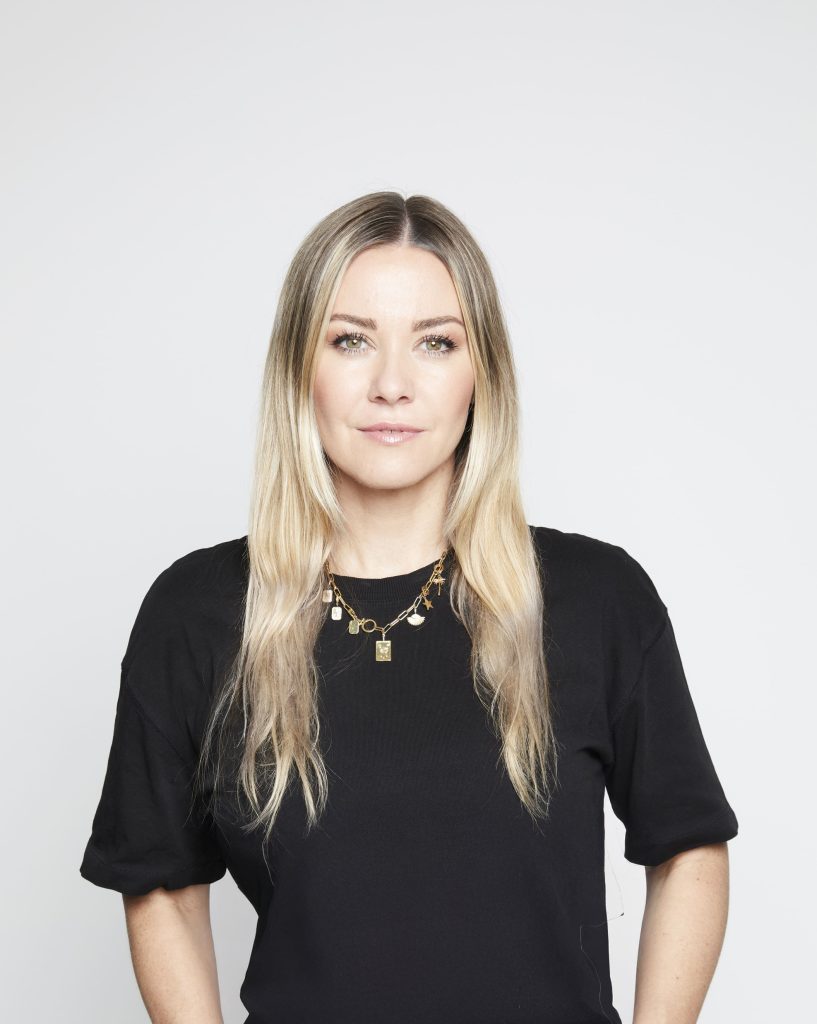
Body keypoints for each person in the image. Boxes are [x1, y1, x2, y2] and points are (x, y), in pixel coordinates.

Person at [79, 191, 739, 1024]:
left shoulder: (596, 599)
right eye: (350, 340)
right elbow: (162, 886)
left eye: (435, 342)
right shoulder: (199, 614)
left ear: (481, 373)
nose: (391, 386)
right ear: (298, 368)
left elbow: (687, 846)